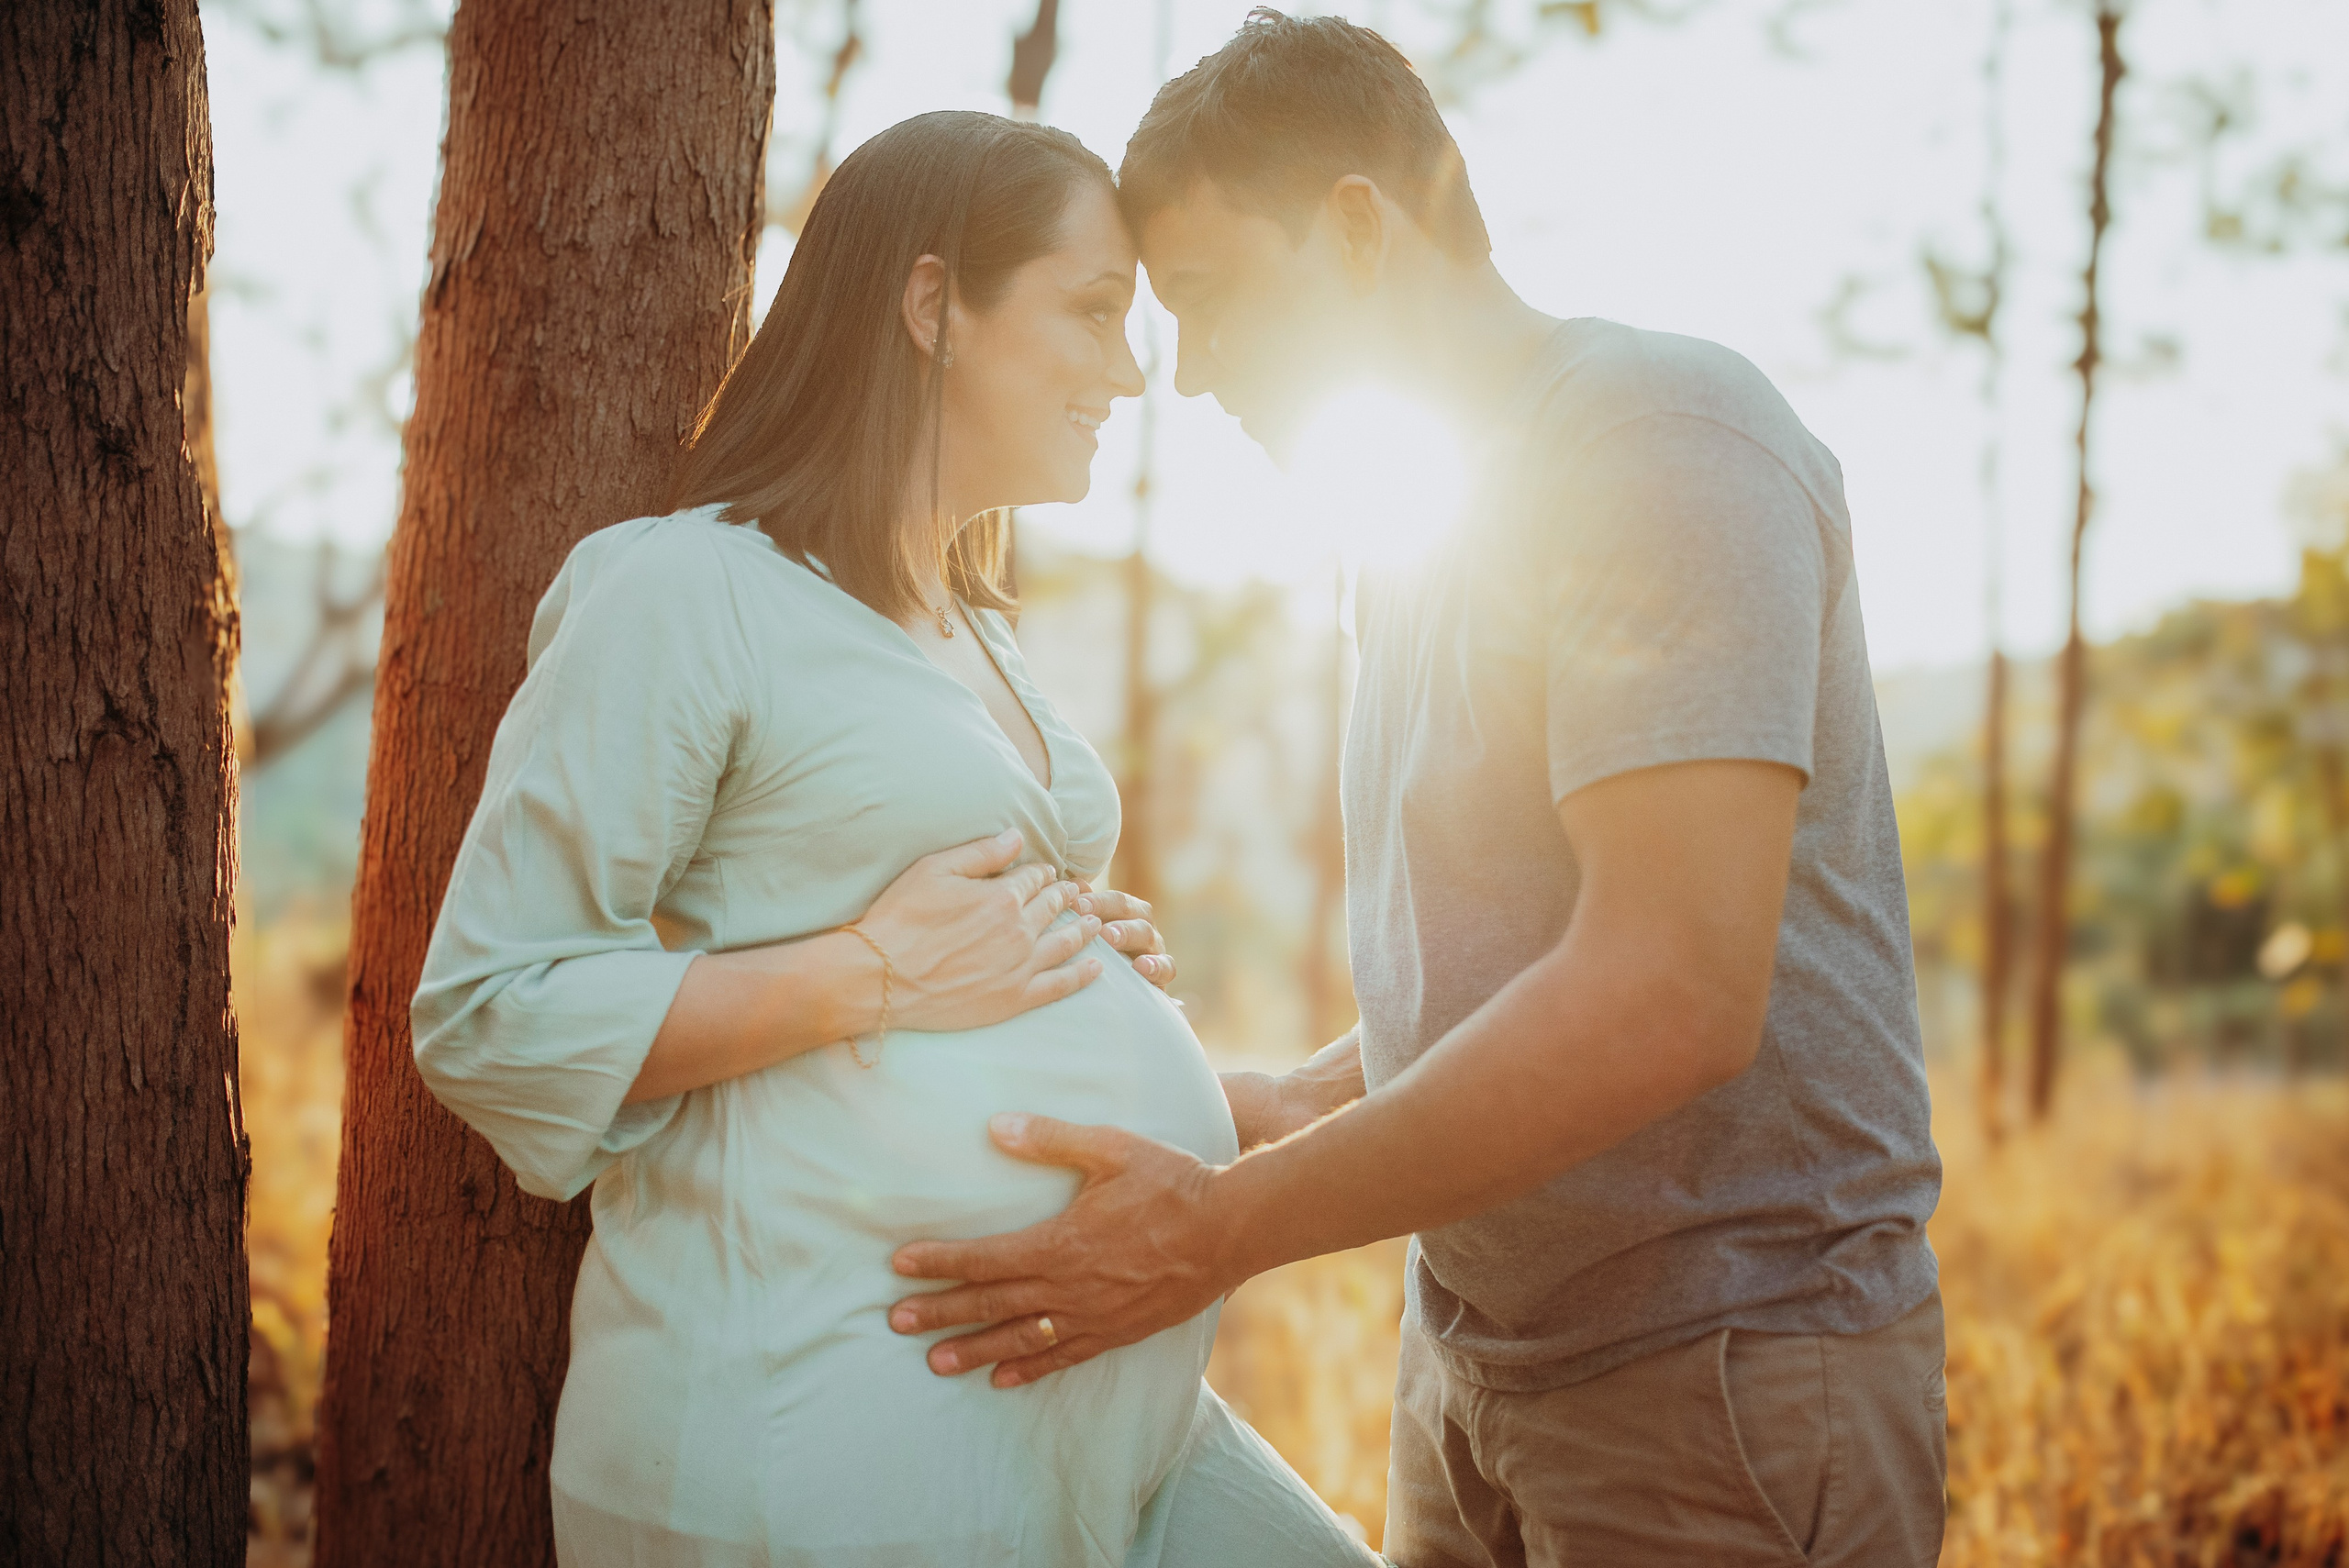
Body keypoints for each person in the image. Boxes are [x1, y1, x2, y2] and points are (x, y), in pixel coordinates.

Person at [886, 15, 1950, 1566]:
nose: (1194, 373)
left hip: (1718, 1377)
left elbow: (1668, 985)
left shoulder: (1658, 442)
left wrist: (1214, 1230)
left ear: (1358, 228)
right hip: (1473, 1370)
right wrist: (1316, 1088)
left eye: (1213, 299)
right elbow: (1528, 941)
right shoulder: (1416, 536)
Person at [412, 110, 1379, 1568]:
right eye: (1094, 310)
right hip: (828, 1427)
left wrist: (1186, 1055)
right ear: (934, 303)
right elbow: (492, 1008)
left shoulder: (972, 629)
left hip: (1107, 1426)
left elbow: (952, 969)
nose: (1131, 372)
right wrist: (869, 971)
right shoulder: (688, 590)